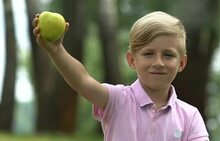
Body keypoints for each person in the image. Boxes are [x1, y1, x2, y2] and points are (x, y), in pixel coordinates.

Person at [33, 11, 209, 141]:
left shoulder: (190, 116)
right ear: (132, 60)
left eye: (168, 55)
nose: (158, 62)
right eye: (148, 54)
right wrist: (57, 51)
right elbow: (82, 80)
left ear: (182, 63)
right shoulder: (117, 100)